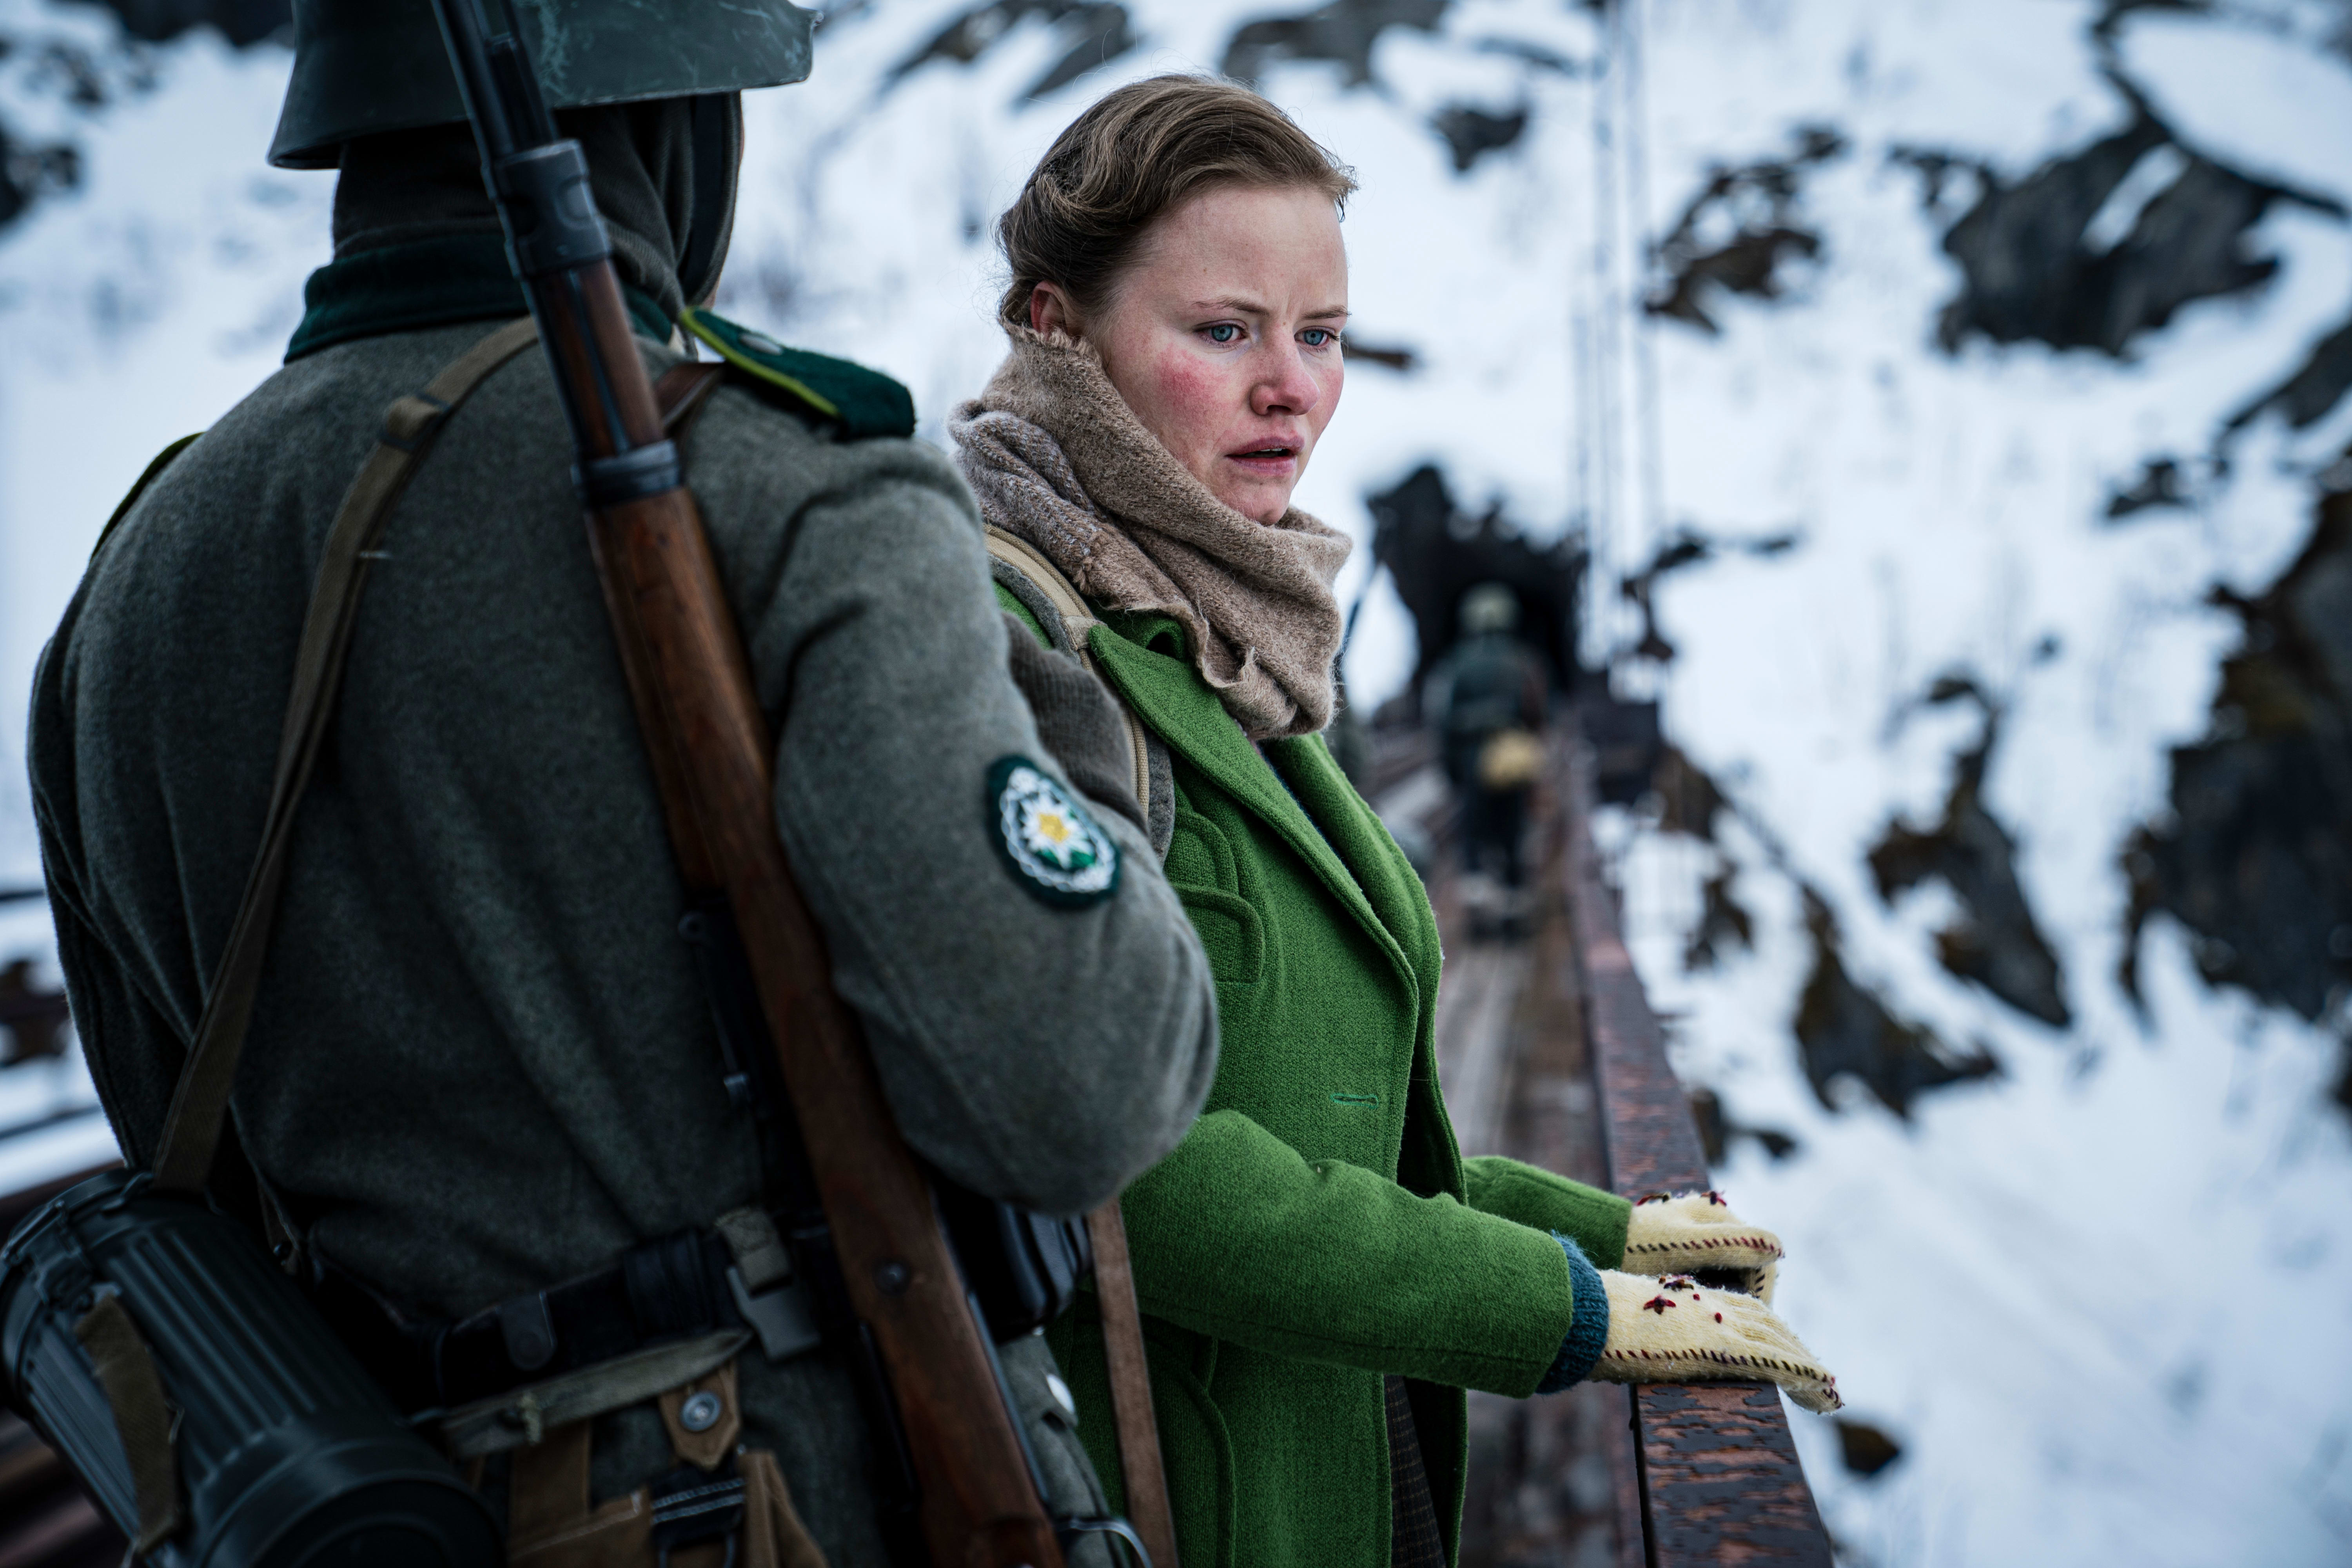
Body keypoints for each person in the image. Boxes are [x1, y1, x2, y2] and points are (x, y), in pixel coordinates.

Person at [27, 5, 1218, 1564]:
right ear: (681, 124)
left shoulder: (134, 585)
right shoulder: (791, 488)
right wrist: (1084, 769)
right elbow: (1088, 1086)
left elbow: (184, 1150)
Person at [954, 75, 1840, 1568]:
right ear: (1055, 327)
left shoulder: (1232, 636)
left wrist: (1610, 1233)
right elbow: (1117, 1164)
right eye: (1223, 330)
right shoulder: (1000, 638)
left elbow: (1340, 1126)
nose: (1291, 385)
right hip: (1156, 1501)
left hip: (1330, 1475)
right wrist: (1555, 1309)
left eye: (1322, 336)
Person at [1425, 583, 1548, 936]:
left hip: (1471, 764)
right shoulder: (1524, 662)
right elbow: (1541, 715)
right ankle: (1514, 917)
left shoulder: (1457, 665)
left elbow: (1443, 720)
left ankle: (1481, 915)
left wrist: (1451, 768)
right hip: (1514, 765)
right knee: (1512, 835)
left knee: (1474, 839)